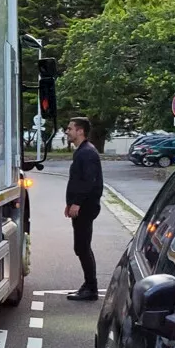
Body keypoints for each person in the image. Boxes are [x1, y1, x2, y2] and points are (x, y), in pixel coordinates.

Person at [64, 116, 103, 301]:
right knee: (81, 247)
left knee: (82, 247)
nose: (67, 131)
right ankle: (89, 285)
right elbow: (77, 181)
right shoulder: (82, 151)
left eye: (70, 128)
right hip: (81, 206)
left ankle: (91, 287)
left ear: (80, 131)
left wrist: (77, 203)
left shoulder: (87, 153)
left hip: (85, 207)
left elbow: (89, 182)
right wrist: (70, 203)